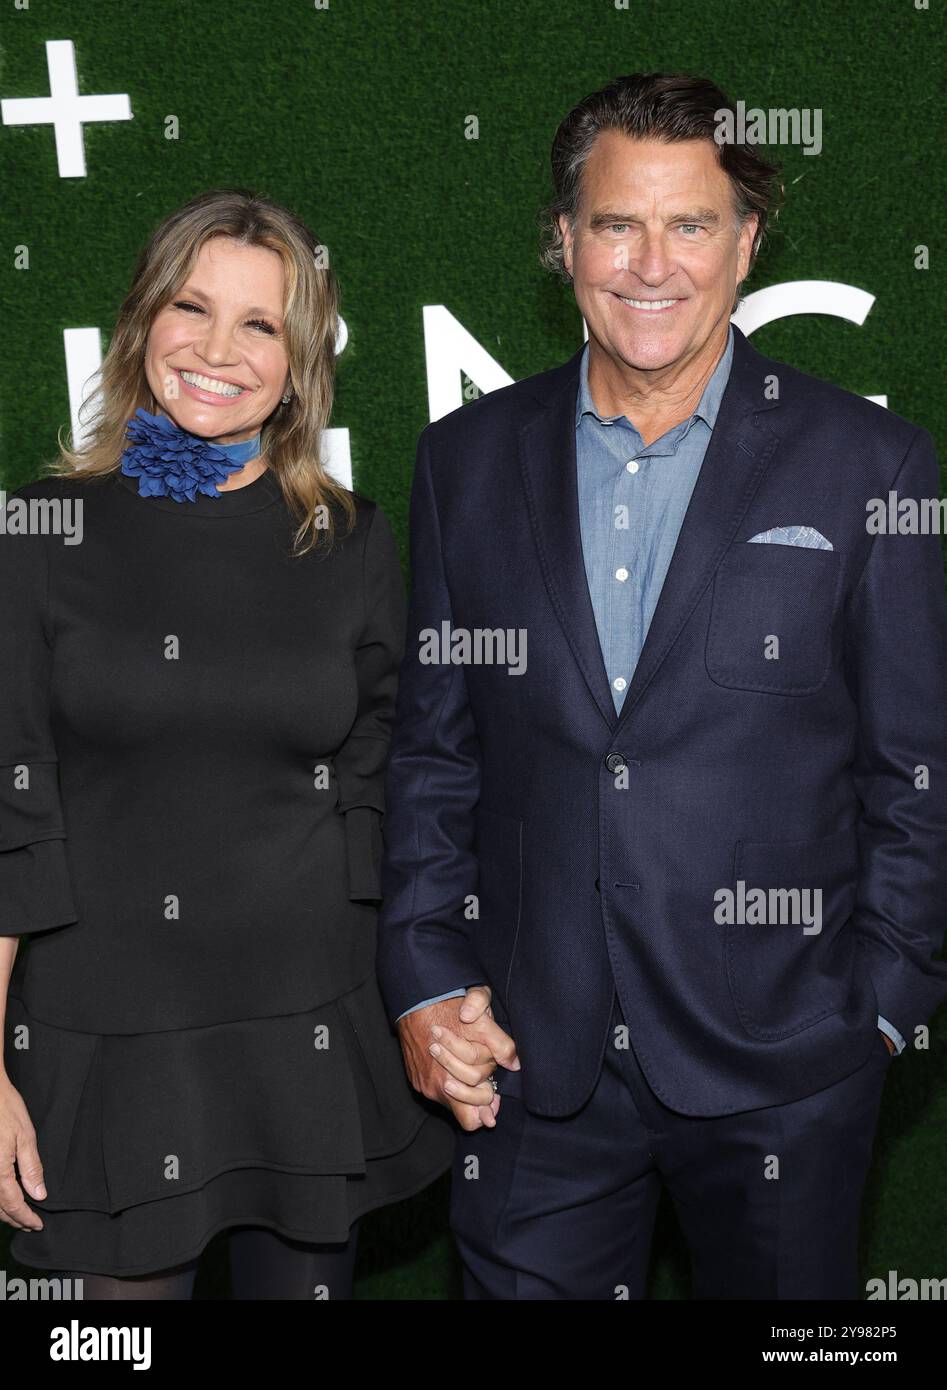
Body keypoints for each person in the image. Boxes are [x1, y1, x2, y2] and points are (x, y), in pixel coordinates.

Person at [376, 73, 947, 1298]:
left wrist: (879, 1014)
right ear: (562, 241)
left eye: (689, 224)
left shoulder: (869, 461)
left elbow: (915, 768)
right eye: (615, 224)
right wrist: (424, 975)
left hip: (787, 1068)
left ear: (744, 243)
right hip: (531, 1063)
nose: (651, 263)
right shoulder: (463, 463)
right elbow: (434, 753)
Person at [0, 188, 453, 1300]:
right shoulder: (38, 528)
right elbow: (11, 804)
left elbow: (379, 780)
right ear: (142, 324)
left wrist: (416, 995)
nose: (217, 349)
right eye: (191, 308)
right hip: (102, 1038)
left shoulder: (345, 538)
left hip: (301, 1033)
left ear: (298, 363)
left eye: (260, 324)